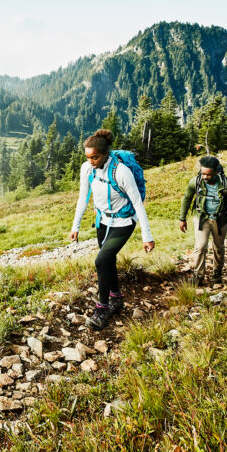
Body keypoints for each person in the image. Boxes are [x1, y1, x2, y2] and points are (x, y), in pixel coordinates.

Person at [69, 129, 155, 330]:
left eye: (95, 157)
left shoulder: (121, 172)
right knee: (108, 261)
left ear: (105, 153)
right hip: (103, 221)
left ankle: (102, 308)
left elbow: (137, 203)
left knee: (101, 261)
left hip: (124, 223)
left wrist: (147, 236)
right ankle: (116, 297)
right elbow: (83, 198)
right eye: (88, 157)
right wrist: (76, 226)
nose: (91, 161)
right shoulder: (87, 169)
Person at [177, 155, 227, 286]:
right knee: (200, 246)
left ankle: (217, 275)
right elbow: (187, 198)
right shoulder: (195, 182)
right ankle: (198, 277)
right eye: (203, 174)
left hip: (221, 220)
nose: (205, 177)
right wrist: (182, 218)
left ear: (216, 172)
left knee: (218, 247)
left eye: (208, 175)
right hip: (202, 219)